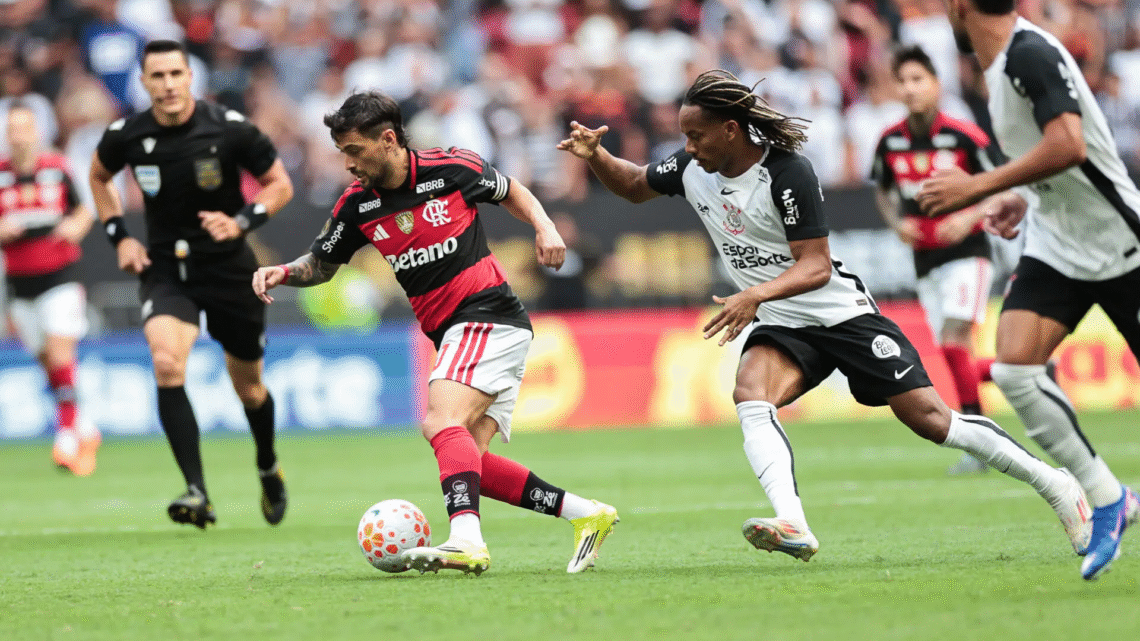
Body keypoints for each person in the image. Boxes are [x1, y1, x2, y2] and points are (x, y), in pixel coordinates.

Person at [558, 68, 1090, 565]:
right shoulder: (693, 167)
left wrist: (753, 295)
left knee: (934, 421)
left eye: (696, 136)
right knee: (751, 394)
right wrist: (595, 155)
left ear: (731, 130)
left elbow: (814, 266)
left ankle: (1056, 484)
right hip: (784, 322)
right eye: (686, 138)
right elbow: (634, 185)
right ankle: (793, 522)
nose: (689, 148)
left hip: (841, 315)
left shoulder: (787, 173)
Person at [252, 91, 619, 576]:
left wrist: (545, 227)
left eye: (355, 150)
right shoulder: (357, 204)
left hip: (486, 314)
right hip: (459, 333)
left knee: (440, 422)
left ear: (388, 140)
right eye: (342, 152)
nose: (348, 164)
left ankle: (466, 541)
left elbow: (511, 190)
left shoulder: (450, 169)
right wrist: (283, 272)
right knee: (471, 459)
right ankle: (586, 514)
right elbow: (321, 264)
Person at [919, 0, 1140, 580]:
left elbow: (1070, 145)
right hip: (1058, 245)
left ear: (960, 6)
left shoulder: (1029, 54)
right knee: (1016, 370)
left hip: (1120, 241)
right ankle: (1109, 498)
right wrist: (1022, 196)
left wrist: (978, 188)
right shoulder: (1002, 64)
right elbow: (1051, 155)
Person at [88, 40, 295, 529]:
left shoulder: (228, 127)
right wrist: (120, 236)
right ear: (144, 82)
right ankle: (197, 491)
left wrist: (241, 222)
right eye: (157, 76)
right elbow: (98, 177)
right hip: (167, 269)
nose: (168, 85)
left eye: (175, 74)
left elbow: (280, 184)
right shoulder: (126, 134)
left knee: (249, 388)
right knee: (166, 362)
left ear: (189, 77)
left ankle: (267, 465)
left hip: (228, 270)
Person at [871, 45, 995, 476]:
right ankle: (1022, 370)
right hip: (925, 259)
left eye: (918, 79)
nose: (910, 88)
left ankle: (979, 445)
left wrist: (969, 217)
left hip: (968, 253)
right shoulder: (889, 141)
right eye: (903, 81)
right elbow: (882, 190)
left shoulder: (964, 136)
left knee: (955, 339)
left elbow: (1000, 183)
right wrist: (896, 223)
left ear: (936, 85)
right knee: (953, 350)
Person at [0, 101, 98, 475]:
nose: (19, 136)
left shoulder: (57, 169)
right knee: (47, 363)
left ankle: (67, 436)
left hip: (60, 275)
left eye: (25, 128)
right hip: (19, 281)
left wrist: (76, 226)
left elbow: (84, 209)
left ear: (37, 132)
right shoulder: (1, 175)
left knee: (59, 354)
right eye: (13, 129)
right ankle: (84, 427)